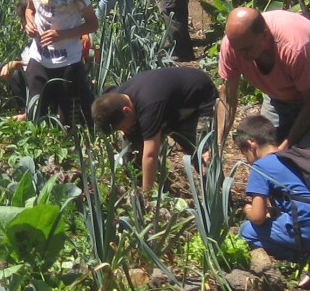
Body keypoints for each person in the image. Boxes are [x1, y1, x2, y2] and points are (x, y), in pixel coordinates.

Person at [231, 114, 310, 287]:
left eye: (244, 152)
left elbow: (257, 217)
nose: (246, 158)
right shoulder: (294, 156)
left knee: (246, 231)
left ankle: (306, 257)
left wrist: (247, 209)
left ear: (251, 144)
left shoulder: (261, 167)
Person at [215, 6, 310, 151]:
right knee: (262, 144)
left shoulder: (295, 49)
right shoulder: (234, 45)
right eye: (236, 49)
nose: (240, 56)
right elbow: (228, 97)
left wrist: (285, 146)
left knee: (305, 157)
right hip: (280, 92)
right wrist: (217, 144)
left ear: (264, 37)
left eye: (246, 49)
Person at [91, 66, 217, 195]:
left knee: (203, 156)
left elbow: (150, 155)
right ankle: (142, 192)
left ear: (127, 111)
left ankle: (219, 201)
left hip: (197, 100)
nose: (124, 131)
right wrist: (124, 130)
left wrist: (147, 197)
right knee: (132, 150)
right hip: (168, 103)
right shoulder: (114, 98)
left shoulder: (149, 107)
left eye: (122, 126)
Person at [19, 0, 99, 126]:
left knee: (68, 119)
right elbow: (29, 8)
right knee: (36, 111)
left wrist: (61, 34)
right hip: (38, 57)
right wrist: (28, 23)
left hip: (67, 60)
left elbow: (92, 24)